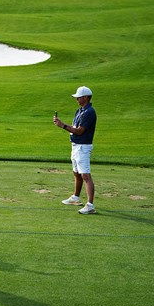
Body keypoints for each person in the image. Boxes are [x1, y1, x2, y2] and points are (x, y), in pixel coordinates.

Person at [53, 86, 97, 214]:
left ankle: (90, 205)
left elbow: (79, 131)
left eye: (79, 97)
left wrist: (63, 125)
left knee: (85, 176)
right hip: (76, 146)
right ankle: (76, 198)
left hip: (83, 147)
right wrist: (64, 125)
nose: (77, 99)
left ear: (86, 97)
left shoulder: (89, 112)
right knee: (76, 173)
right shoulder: (79, 111)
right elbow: (75, 127)